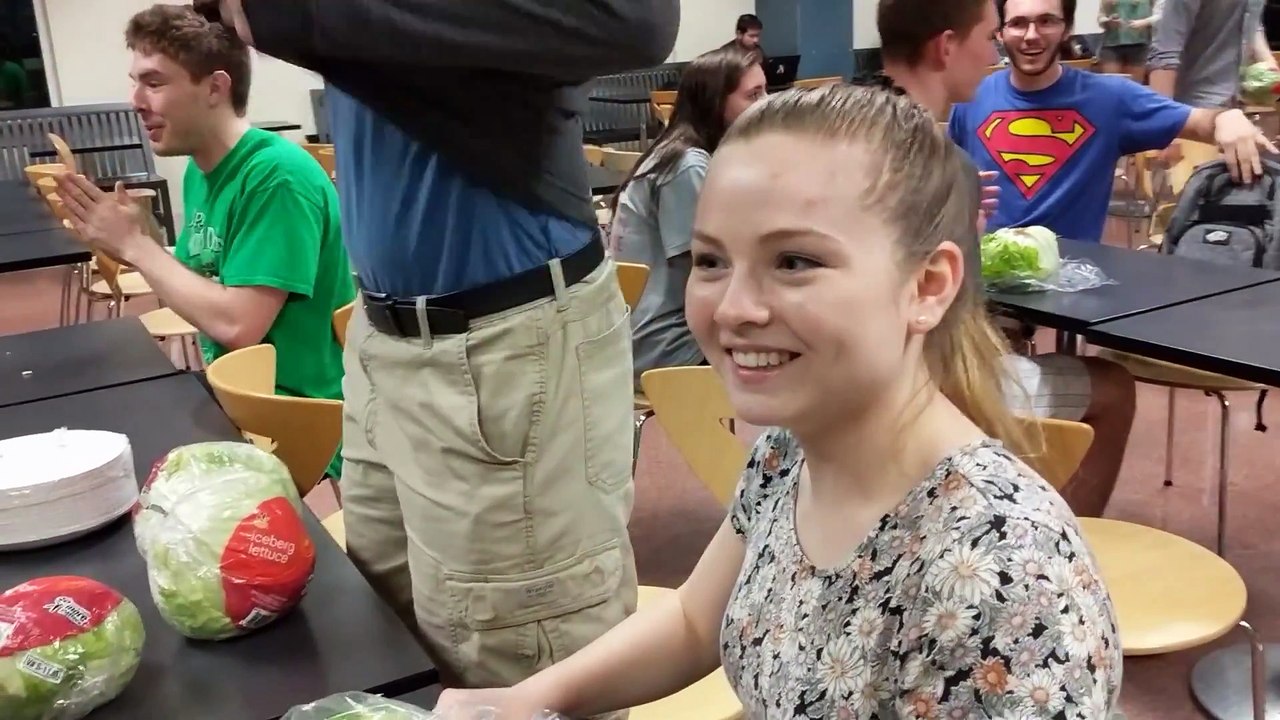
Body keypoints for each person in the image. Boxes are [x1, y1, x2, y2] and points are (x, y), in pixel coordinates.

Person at [436, 84, 1122, 719]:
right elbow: (693, 623)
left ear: (928, 286)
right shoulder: (789, 450)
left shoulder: (1001, 575)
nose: (733, 308)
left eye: (794, 261)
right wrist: (519, 701)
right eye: (710, 261)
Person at [195, 0, 679, 694]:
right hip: (387, 339)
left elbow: (635, 19)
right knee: (390, 638)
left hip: (502, 342)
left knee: (519, 665)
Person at [54, 4, 352, 481]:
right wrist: (142, 241)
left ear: (215, 87)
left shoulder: (276, 177)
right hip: (233, 392)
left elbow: (238, 325)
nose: (135, 100)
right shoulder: (202, 168)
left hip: (291, 416)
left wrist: (138, 247)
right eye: (136, 82)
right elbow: (211, 278)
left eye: (154, 82)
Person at [878, 0, 1136, 519]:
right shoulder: (934, 158)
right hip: (926, 388)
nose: (999, 50)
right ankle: (1064, 555)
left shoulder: (868, 130)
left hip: (874, 386)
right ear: (948, 46)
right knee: (1114, 388)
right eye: (993, 35)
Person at [613, 46, 766, 382]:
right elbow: (708, 279)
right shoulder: (688, 166)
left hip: (644, 336)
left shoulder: (679, 153)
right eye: (753, 95)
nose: (766, 104)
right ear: (716, 103)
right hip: (666, 343)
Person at [1149, 0, 1276, 109]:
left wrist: (1268, 61)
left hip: (1237, 103)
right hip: (1194, 106)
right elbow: (1165, 50)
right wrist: (1163, 122)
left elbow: (1251, 19)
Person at [1097, 0, 1155, 80]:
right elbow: (1101, 16)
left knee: (1135, 85)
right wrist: (1108, 21)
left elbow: (1160, 14)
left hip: (1139, 44)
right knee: (1111, 84)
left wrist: (1146, 22)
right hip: (1112, 44)